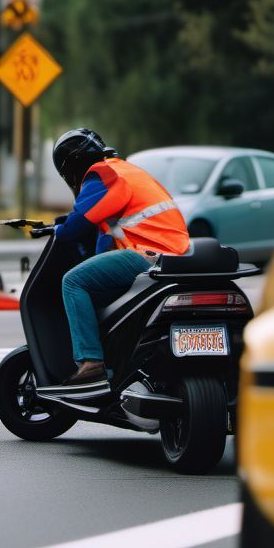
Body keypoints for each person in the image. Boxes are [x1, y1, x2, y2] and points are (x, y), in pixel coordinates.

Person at [45, 127, 189, 398]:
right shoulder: (128, 171)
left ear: (72, 167)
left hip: (147, 256)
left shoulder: (101, 174)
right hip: (174, 256)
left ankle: (91, 363)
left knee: (73, 281)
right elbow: (107, 240)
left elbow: (75, 225)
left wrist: (57, 228)